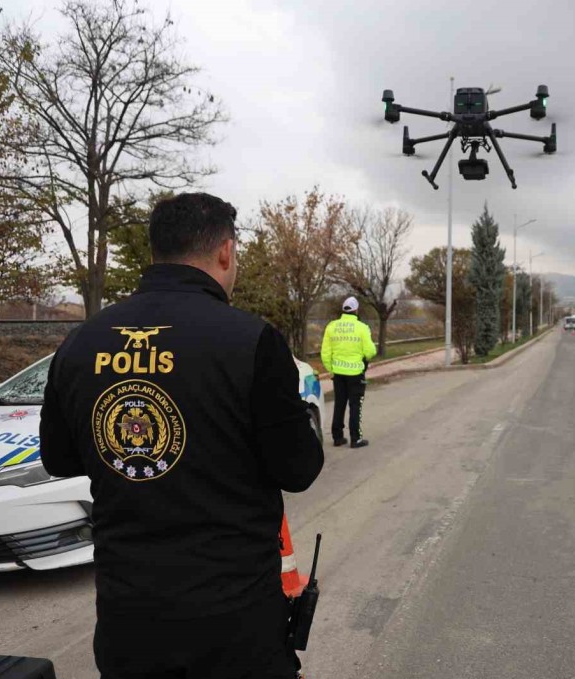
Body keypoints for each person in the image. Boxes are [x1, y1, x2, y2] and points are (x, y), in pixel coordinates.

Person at [39, 192, 324, 679]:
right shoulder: (252, 340)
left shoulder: (83, 341)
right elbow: (298, 469)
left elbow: (60, 458)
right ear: (226, 252)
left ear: (155, 252)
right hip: (235, 624)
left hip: (128, 621)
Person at [320, 296, 377, 449]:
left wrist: (331, 370)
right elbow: (370, 351)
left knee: (339, 404)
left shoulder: (331, 327)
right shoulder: (362, 328)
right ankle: (355, 439)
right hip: (356, 374)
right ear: (356, 310)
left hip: (338, 373)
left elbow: (325, 353)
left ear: (343, 310)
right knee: (355, 405)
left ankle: (337, 437)